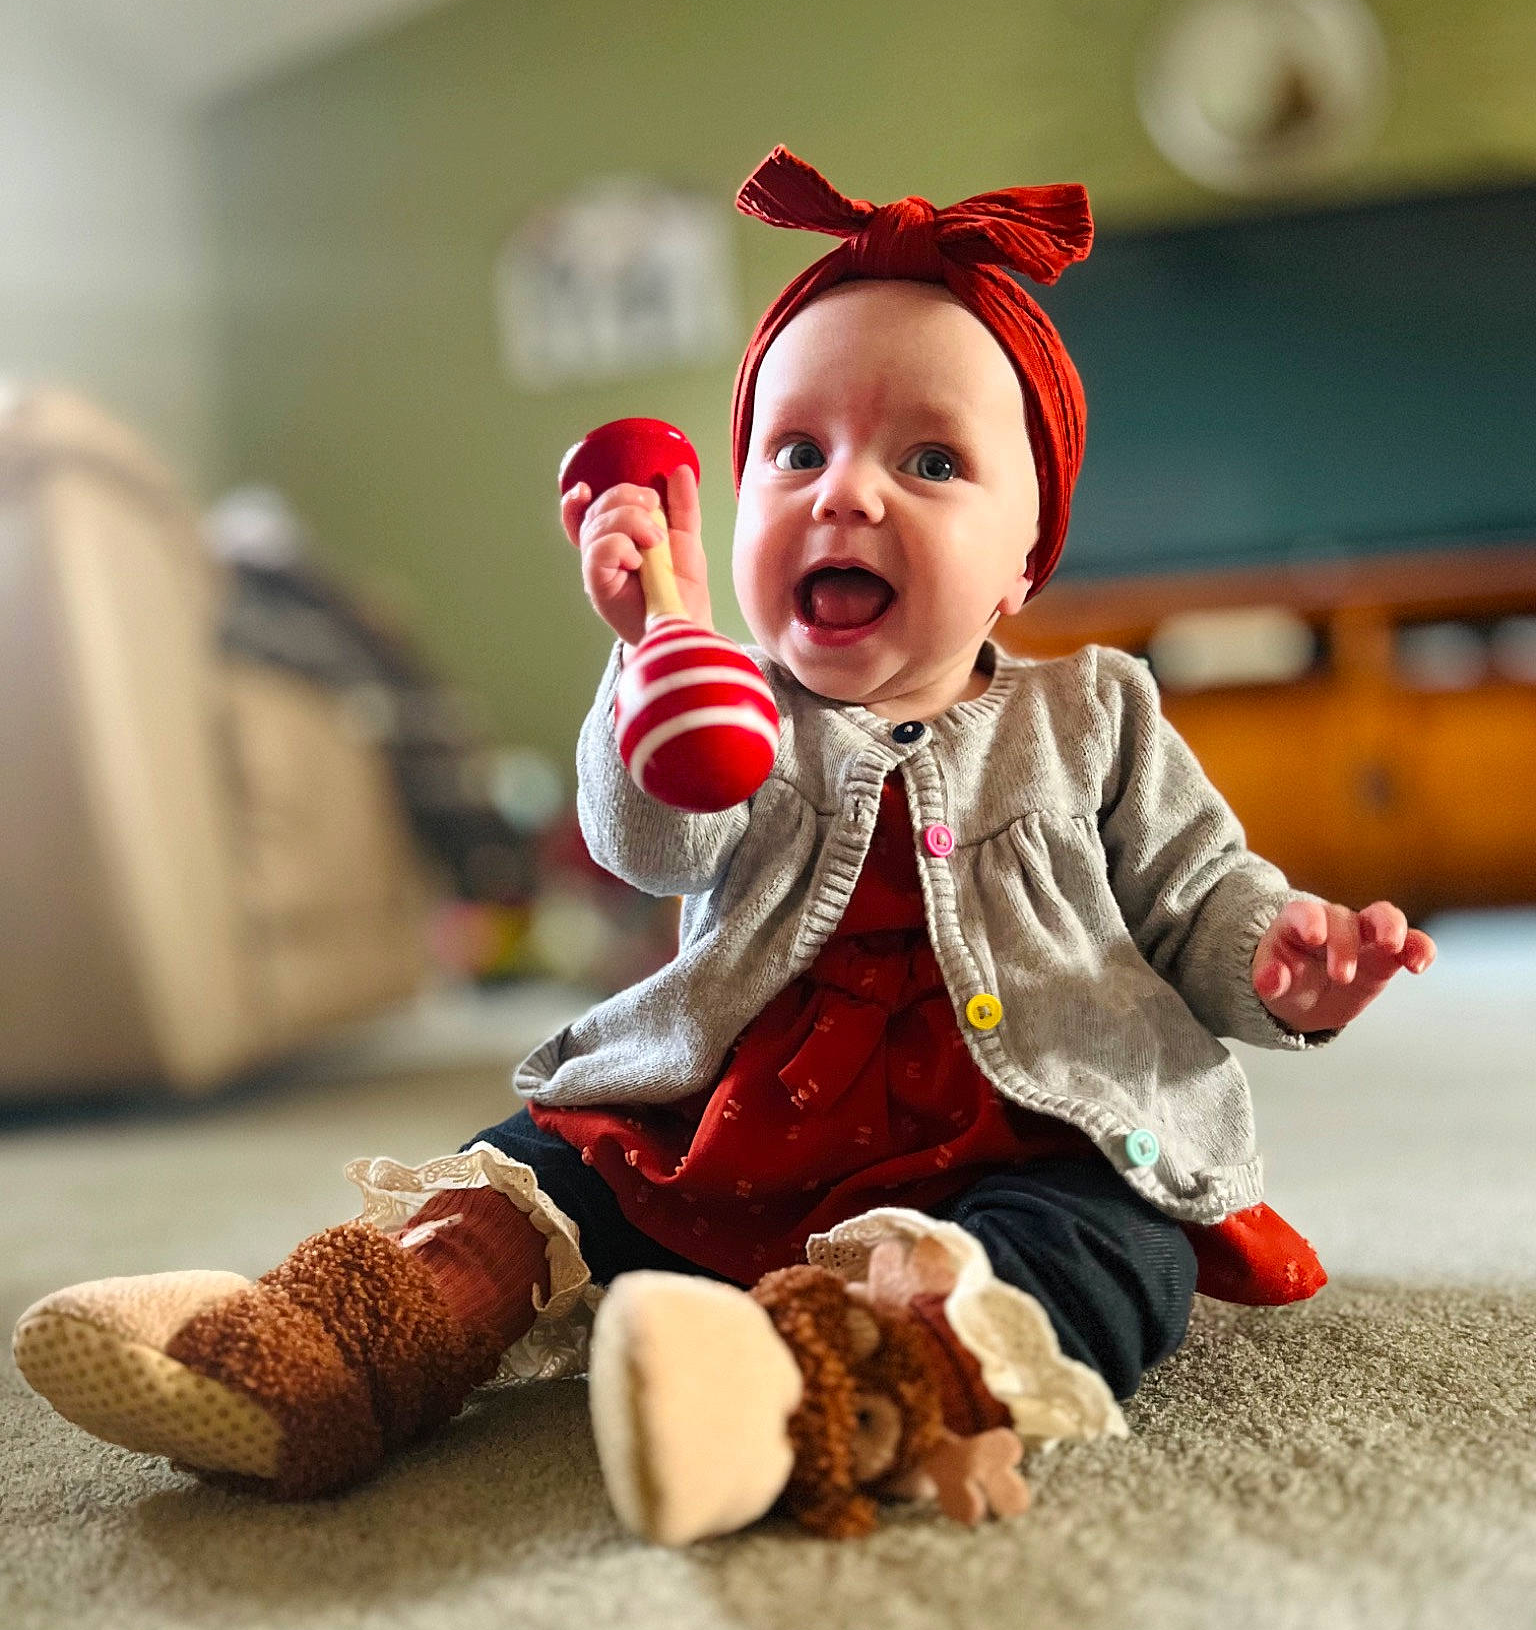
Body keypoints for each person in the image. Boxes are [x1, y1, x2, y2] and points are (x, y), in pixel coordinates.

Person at [12, 149, 1434, 1545]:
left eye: (930, 459)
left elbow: (1197, 895)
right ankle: (313, 1350)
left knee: (1105, 1257)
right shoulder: (723, 694)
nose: (846, 492)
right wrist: (654, 660)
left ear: (1023, 559)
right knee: (540, 1176)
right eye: (797, 451)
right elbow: (650, 842)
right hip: (740, 1115)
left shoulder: (1096, 712)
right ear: (743, 504)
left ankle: (800, 1387)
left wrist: (1280, 957)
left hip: (1028, 1121)